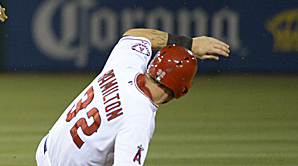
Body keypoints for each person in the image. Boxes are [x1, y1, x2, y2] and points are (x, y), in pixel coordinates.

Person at [35, 28, 230, 166]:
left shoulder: (126, 65)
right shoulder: (139, 119)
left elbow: (134, 35)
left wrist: (190, 44)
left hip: (47, 150)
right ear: (183, 90)